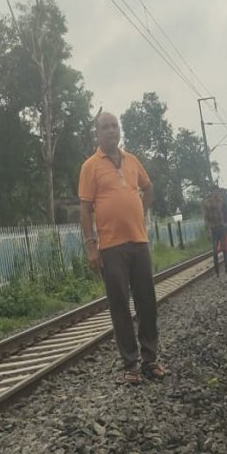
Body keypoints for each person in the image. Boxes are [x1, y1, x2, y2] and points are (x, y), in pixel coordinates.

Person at [78, 112, 169, 385]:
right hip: (111, 247)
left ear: (120, 131)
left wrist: (141, 209)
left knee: (147, 302)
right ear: (97, 133)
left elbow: (148, 188)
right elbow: (85, 208)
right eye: (105, 127)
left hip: (139, 242)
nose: (110, 131)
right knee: (120, 306)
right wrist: (90, 245)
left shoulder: (132, 161)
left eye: (114, 126)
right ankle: (130, 365)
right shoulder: (90, 166)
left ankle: (150, 360)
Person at [202, 185, 227, 276]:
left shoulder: (221, 201)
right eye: (215, 191)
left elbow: (226, 212)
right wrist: (208, 230)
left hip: (221, 227)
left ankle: (226, 269)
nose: (216, 193)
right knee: (214, 251)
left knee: (225, 249)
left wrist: (226, 223)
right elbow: (206, 218)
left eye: (217, 191)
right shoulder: (207, 202)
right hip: (213, 229)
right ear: (212, 192)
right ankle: (217, 272)